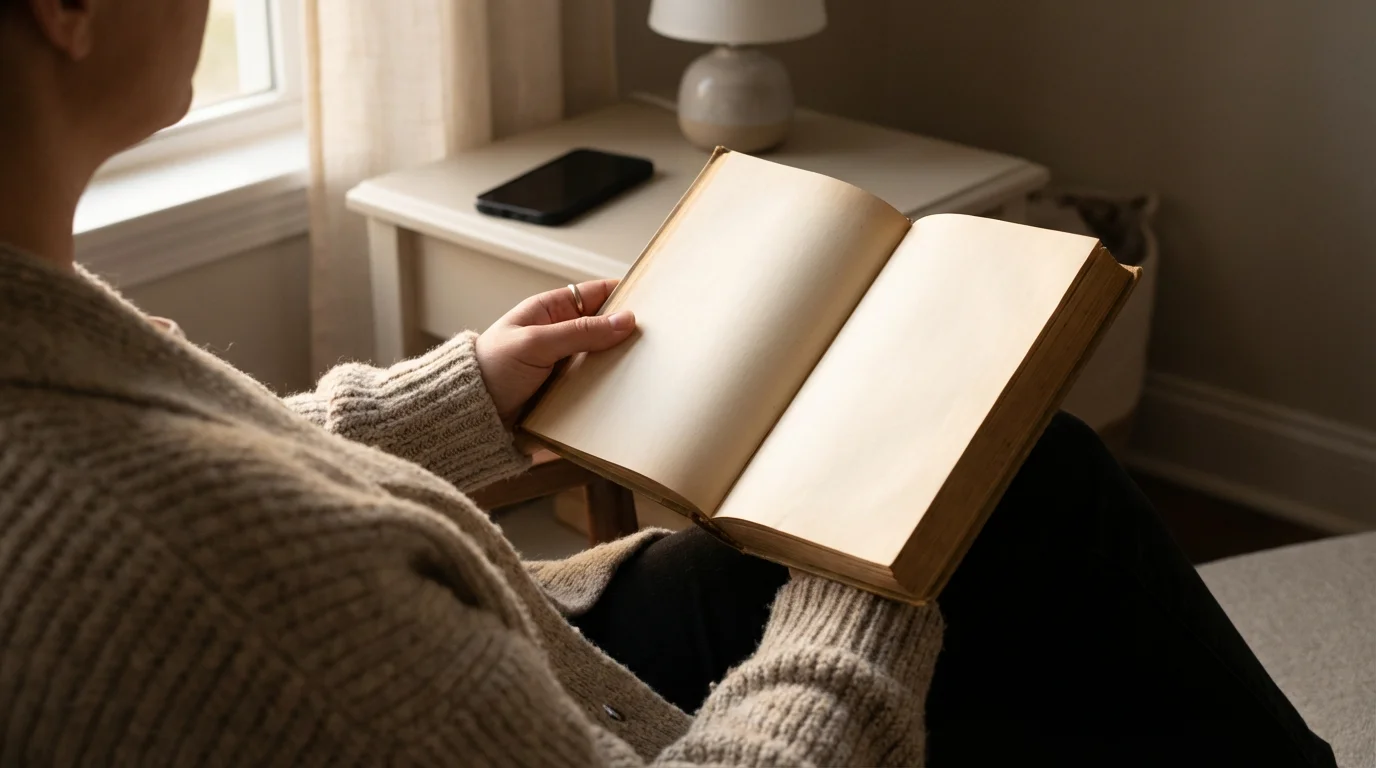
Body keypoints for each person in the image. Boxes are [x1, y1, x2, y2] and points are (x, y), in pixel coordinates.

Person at [0, 0, 1336, 765]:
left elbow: (219, 454)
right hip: (547, 703)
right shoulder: (218, 575)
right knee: (1013, 518)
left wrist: (460, 395)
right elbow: (212, 538)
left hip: (495, 637)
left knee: (1031, 497)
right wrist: (869, 587)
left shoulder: (49, 357)